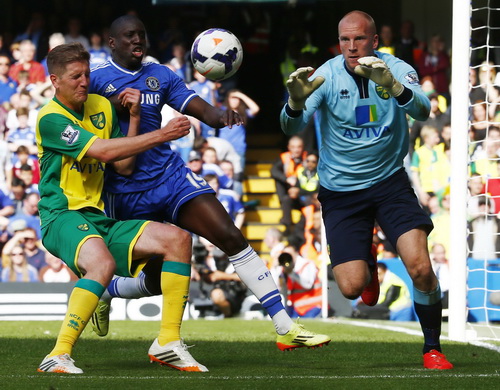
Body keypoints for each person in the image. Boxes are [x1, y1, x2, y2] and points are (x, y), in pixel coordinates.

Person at [88, 15, 330, 352]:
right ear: (112, 42)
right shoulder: (96, 81)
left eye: (141, 34)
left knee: (230, 235)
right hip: (125, 192)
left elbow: (203, 110)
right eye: (129, 36)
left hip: (169, 178)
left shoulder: (161, 75)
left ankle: (284, 325)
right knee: (159, 278)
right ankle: (110, 290)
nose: (137, 40)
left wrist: (223, 116)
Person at [280, 10, 452, 369]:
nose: (351, 47)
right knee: (352, 288)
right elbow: (289, 127)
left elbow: (422, 110)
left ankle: (432, 348)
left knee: (420, 267)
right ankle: (368, 258)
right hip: (341, 192)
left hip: (390, 183)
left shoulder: (396, 68)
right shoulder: (324, 75)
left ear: (374, 41)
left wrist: (394, 86)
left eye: (359, 39)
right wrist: (295, 102)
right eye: (345, 39)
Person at [36, 42, 207, 374]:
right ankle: (58, 354)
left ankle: (168, 343)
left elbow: (125, 166)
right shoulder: (50, 118)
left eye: (86, 74)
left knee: (177, 240)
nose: (84, 81)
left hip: (98, 218)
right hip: (61, 216)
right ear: (55, 80)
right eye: (75, 77)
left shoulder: (100, 105)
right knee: (102, 263)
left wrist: (133, 117)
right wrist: (161, 134)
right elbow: (100, 151)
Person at [271, 135, 307, 235]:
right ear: (289, 148)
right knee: (280, 184)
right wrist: (287, 179)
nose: (296, 150)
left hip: (303, 194)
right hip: (289, 195)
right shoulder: (284, 157)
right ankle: (287, 226)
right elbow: (273, 171)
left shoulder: (308, 159)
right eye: (293, 147)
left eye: (299, 147)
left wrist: (298, 188)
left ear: (303, 147)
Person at [278, 243, 322, 318]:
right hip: (296, 309)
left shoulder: (307, 264)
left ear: (296, 253)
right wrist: (277, 269)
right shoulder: (285, 271)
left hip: (314, 307)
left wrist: (292, 273)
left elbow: (308, 285)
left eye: (289, 254)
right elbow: (281, 290)